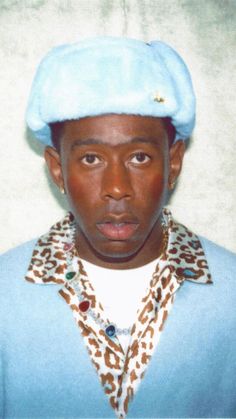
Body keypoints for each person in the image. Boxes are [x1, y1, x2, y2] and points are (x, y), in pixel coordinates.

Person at [0, 37, 235, 419]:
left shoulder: (231, 296)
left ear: (173, 163)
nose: (117, 188)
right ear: (57, 168)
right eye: (91, 158)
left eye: (140, 157)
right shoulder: (4, 297)